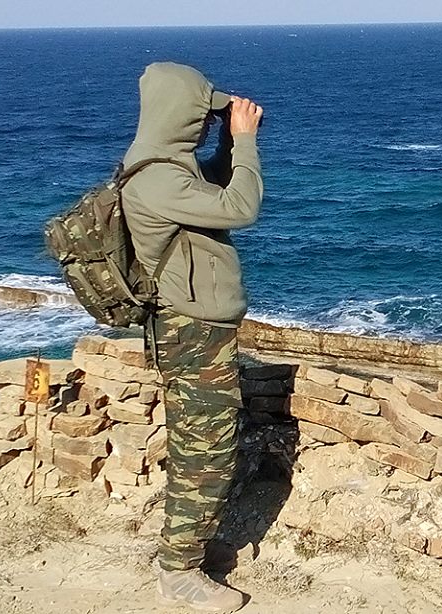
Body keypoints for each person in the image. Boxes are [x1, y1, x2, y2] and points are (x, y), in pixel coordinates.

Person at [122, 61, 263, 613]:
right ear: (180, 114)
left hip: (196, 328)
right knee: (204, 453)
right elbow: (239, 207)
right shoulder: (157, 178)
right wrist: (245, 142)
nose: (209, 123)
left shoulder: (165, 165)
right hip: (192, 332)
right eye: (205, 115)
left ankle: (190, 550)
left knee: (205, 445)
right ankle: (178, 573)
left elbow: (210, 188)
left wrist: (227, 144)